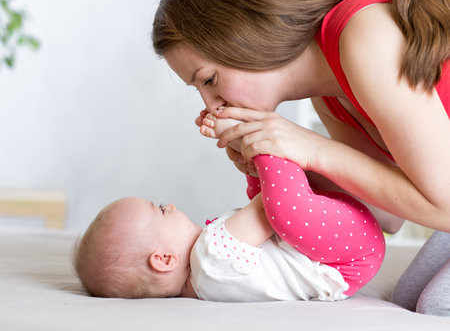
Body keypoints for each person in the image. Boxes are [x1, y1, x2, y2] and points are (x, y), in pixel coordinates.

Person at [152, 0, 449, 314]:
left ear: (244, 37)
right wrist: (280, 161)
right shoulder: (327, 92)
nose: (211, 105)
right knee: (409, 297)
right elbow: (387, 216)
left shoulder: (363, 33)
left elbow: (444, 208)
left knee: (436, 305)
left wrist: (314, 149)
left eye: (209, 80)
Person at [73, 116, 385, 301]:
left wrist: (252, 172)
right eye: (160, 210)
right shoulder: (210, 258)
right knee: (283, 209)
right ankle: (265, 137)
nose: (169, 204)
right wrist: (259, 149)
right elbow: (268, 210)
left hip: (337, 257)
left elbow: (264, 209)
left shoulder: (206, 282)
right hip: (346, 256)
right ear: (164, 259)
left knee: (281, 206)